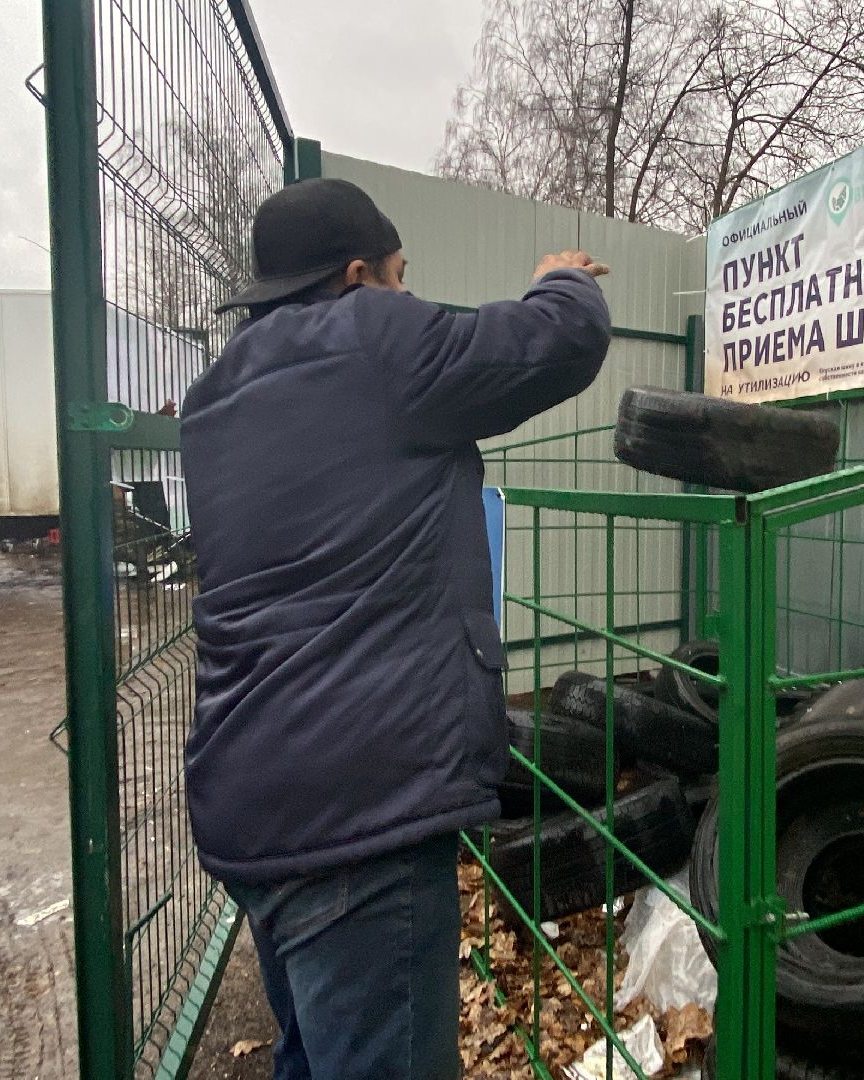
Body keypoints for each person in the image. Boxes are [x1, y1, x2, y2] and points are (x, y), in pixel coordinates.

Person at [180, 177, 611, 1080]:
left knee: (311, 1056)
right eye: (401, 275)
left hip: (249, 799)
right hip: (357, 814)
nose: (410, 295)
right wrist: (561, 277)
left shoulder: (217, 396)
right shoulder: (369, 339)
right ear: (355, 275)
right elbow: (553, 342)